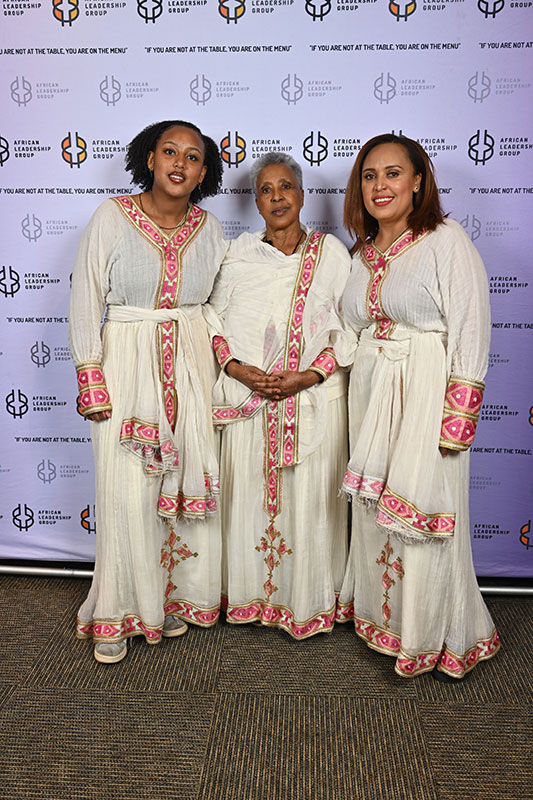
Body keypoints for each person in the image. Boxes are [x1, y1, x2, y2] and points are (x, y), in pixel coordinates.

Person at [337, 133, 500, 679]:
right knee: (376, 512)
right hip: (369, 393)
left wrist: (458, 419)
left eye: (392, 173)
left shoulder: (445, 240)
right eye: (369, 176)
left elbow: (471, 327)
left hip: (426, 394)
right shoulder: (361, 254)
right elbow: (348, 330)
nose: (380, 186)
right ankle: (385, 622)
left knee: (425, 515)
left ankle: (432, 636)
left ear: (418, 181)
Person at [69, 120, 227, 663]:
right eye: (169, 152)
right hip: (125, 366)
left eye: (193, 156)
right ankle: (114, 614)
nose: (180, 163)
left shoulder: (209, 228)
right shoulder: (111, 217)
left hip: (189, 367)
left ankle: (159, 602)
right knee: (124, 492)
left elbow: (216, 303)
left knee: (172, 494)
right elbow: (86, 298)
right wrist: (90, 375)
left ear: (204, 173)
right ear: (150, 159)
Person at [205, 152, 355, 639]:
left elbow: (348, 327)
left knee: (310, 505)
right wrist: (237, 368)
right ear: (256, 202)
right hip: (249, 403)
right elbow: (212, 318)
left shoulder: (330, 254)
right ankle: (250, 598)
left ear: (302, 195)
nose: (277, 198)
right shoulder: (239, 253)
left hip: (312, 401)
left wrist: (309, 375)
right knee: (248, 503)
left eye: (285, 187)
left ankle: (305, 603)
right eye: (266, 190)